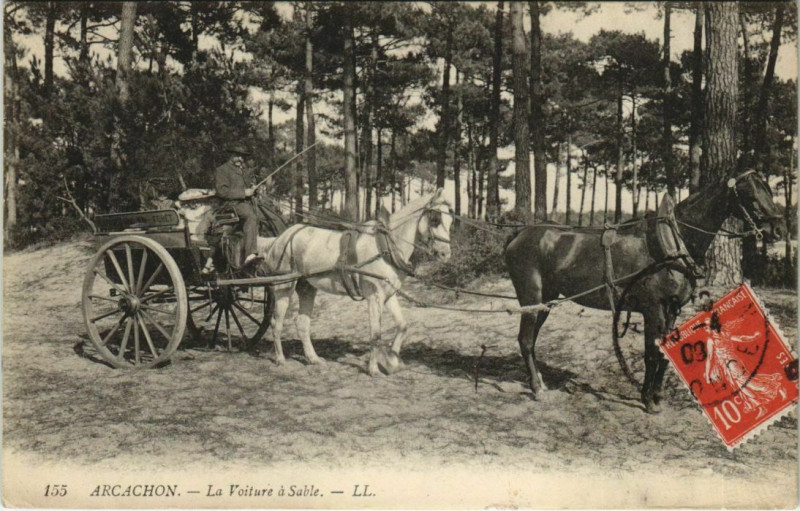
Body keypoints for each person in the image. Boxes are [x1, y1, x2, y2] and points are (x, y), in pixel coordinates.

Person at [206, 145, 261, 271]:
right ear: (231, 156)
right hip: (229, 205)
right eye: (238, 155)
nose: (241, 159)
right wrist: (243, 193)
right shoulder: (222, 170)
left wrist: (253, 189)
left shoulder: (243, 171)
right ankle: (250, 254)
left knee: (265, 214)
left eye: (243, 157)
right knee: (250, 216)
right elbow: (221, 191)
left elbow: (248, 188)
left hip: (244, 203)